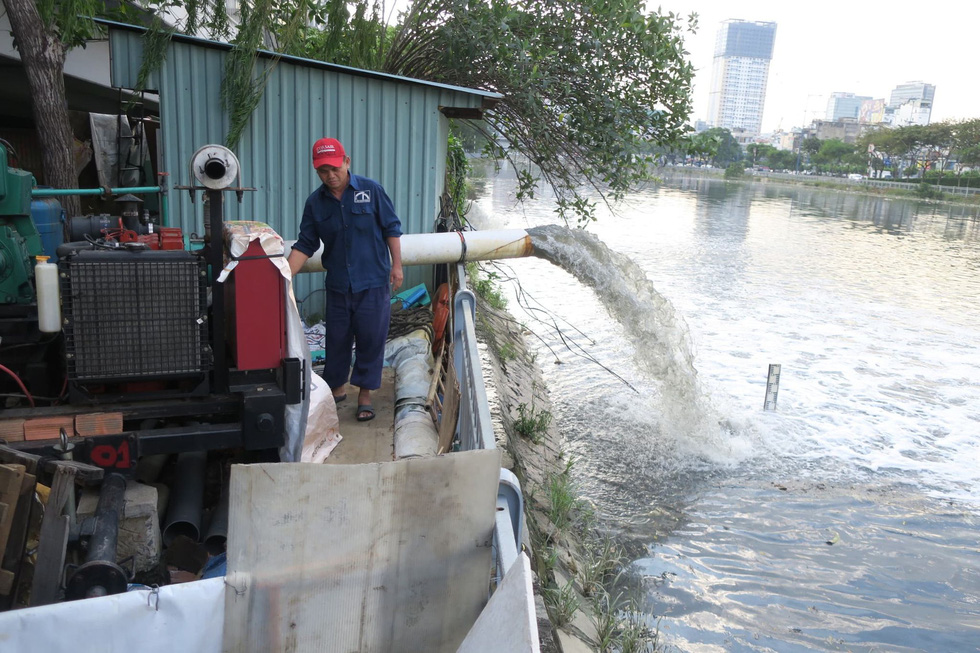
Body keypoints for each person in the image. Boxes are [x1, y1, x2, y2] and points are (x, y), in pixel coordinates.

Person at [287, 138, 403, 421]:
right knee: (336, 339)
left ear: (346, 161)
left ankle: (364, 394)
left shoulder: (371, 191)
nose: (330, 175)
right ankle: (336, 388)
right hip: (338, 284)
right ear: (317, 172)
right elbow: (306, 243)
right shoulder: (315, 203)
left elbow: (391, 227)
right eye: (323, 171)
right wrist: (284, 277)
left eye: (334, 168)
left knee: (370, 339)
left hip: (373, 282)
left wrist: (396, 265)